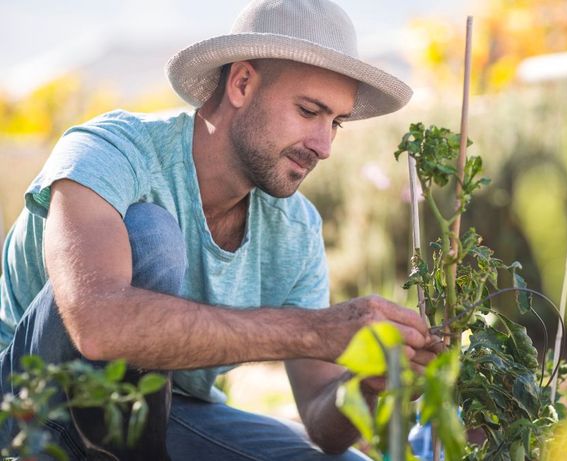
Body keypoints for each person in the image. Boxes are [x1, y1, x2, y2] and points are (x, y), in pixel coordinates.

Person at [0, 0, 440, 459]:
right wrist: (316, 331)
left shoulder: (294, 227)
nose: (324, 146)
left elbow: (323, 424)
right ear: (242, 83)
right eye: (310, 111)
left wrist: (368, 384)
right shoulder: (111, 152)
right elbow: (96, 324)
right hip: (28, 405)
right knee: (151, 233)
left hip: (172, 413)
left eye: (336, 122)